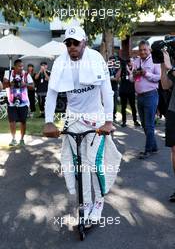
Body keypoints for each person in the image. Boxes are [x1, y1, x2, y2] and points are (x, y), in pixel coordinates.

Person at [43, 26, 121, 222]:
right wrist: (48, 122)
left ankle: (99, 201)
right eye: (68, 43)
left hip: (95, 119)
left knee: (93, 163)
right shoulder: (60, 62)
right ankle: (86, 203)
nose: (72, 47)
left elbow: (107, 92)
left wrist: (109, 121)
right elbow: (51, 94)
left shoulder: (96, 59)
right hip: (73, 118)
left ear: (84, 42)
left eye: (75, 43)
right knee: (79, 166)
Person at [129, 40, 161, 159]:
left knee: (149, 125)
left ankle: (148, 150)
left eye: (145, 50)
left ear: (149, 50)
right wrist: (135, 74)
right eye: (140, 50)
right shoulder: (136, 61)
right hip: (140, 96)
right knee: (144, 124)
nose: (142, 52)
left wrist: (146, 73)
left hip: (151, 95)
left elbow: (158, 78)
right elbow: (131, 79)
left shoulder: (155, 61)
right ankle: (154, 147)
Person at [3, 59, 34, 146]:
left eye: (22, 66)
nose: (21, 68)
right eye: (19, 66)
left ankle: (22, 139)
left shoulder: (26, 74)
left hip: (23, 102)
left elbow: (33, 86)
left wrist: (25, 84)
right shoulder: (8, 73)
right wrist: (10, 83)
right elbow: (3, 85)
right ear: (14, 66)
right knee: (12, 121)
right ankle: (13, 139)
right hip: (11, 102)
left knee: (23, 121)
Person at [161, 50, 175, 202]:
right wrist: (163, 67)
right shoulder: (171, 62)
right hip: (173, 110)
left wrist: (169, 66)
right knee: (174, 149)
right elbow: (165, 85)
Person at [117, 58, 140, 127]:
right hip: (123, 90)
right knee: (123, 107)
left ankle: (135, 121)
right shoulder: (123, 68)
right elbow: (117, 77)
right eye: (128, 61)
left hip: (131, 90)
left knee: (133, 106)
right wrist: (121, 68)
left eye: (131, 61)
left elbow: (137, 79)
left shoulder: (135, 69)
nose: (130, 62)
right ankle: (124, 121)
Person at [108, 55, 119, 122]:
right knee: (108, 103)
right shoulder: (107, 68)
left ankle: (114, 116)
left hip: (114, 88)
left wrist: (110, 78)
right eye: (111, 61)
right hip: (108, 88)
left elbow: (117, 79)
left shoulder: (117, 68)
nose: (112, 62)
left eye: (113, 61)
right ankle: (109, 117)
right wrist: (113, 78)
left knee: (114, 104)